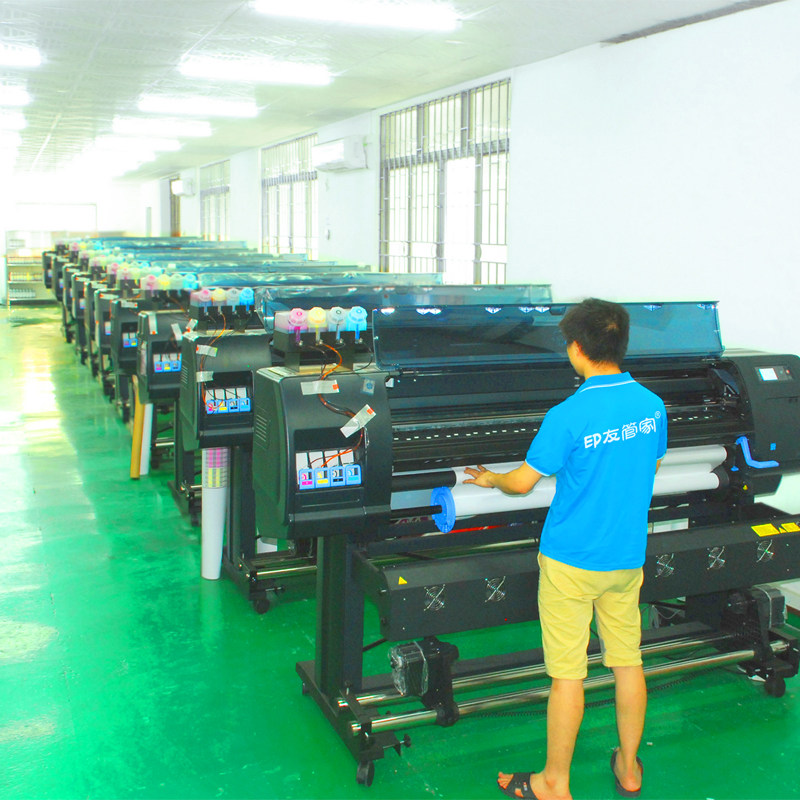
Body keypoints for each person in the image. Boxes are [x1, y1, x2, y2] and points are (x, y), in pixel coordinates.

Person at [464, 298, 667, 800]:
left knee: (568, 676)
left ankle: (554, 781)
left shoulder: (568, 414)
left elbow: (522, 483)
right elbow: (650, 466)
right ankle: (629, 768)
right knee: (627, 662)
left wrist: (490, 479)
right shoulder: (652, 406)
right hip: (626, 558)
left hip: (571, 560)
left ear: (576, 348)